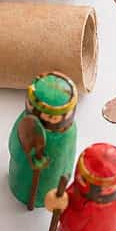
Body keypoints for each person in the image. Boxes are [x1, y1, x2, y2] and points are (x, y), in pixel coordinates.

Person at [8, 72, 77, 209]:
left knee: (49, 183)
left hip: (50, 183)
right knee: (23, 180)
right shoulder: (26, 122)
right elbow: (15, 145)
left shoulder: (68, 134)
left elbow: (66, 160)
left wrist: (59, 170)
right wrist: (29, 155)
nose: (51, 119)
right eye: (48, 115)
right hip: (22, 177)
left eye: (54, 117)